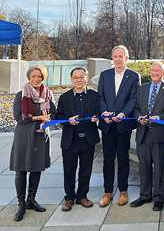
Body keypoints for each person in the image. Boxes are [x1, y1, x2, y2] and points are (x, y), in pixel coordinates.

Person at [10, 65, 56, 221]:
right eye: (34, 76)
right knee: (21, 169)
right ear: (29, 77)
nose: (36, 79)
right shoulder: (21, 95)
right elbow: (19, 117)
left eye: (40, 76)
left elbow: (53, 114)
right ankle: (21, 204)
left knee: (36, 169)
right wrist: (39, 118)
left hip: (40, 135)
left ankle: (31, 200)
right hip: (24, 136)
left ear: (43, 78)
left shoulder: (48, 94)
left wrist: (49, 119)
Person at [97, 45, 141, 207]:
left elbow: (134, 99)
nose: (117, 59)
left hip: (123, 125)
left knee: (123, 158)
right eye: (115, 56)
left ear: (126, 58)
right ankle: (107, 192)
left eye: (120, 56)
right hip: (107, 124)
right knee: (108, 159)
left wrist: (123, 113)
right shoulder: (105, 75)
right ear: (112, 58)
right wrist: (104, 113)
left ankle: (123, 191)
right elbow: (100, 97)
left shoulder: (134, 76)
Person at [130, 61, 164, 211]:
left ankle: (158, 198)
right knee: (143, 166)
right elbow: (135, 108)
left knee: (160, 168)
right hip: (143, 133)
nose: (155, 73)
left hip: (160, 135)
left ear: (163, 73)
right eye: (153, 70)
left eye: (158, 70)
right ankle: (144, 195)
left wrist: (158, 118)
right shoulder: (142, 88)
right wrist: (138, 117)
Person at [56, 67, 100, 212]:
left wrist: (96, 117)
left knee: (85, 170)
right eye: (76, 77)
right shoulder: (64, 97)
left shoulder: (95, 96)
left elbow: (99, 113)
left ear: (86, 78)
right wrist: (67, 121)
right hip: (70, 140)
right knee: (69, 170)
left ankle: (82, 196)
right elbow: (58, 117)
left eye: (82, 77)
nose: (79, 79)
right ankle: (69, 198)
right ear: (71, 79)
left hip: (88, 139)